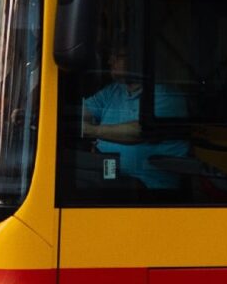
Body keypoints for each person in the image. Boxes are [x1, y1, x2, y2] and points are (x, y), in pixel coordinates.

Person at [81, 43, 189, 190]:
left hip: (149, 189)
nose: (109, 61)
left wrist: (89, 130)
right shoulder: (115, 90)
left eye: (117, 56)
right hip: (112, 176)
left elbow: (139, 131)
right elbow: (82, 112)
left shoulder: (166, 95)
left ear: (138, 59)